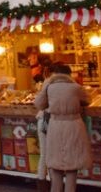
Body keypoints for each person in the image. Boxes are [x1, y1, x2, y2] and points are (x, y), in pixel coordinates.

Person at [35, 63, 92, 192]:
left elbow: (39, 104)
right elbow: (88, 100)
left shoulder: (49, 87)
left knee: (55, 165)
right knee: (72, 166)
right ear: (69, 74)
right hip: (74, 126)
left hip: (55, 126)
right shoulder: (76, 87)